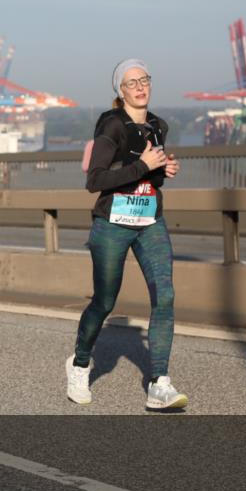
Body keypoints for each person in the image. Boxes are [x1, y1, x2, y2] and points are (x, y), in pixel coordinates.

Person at [67, 59, 187, 411]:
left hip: (150, 220)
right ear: (120, 90)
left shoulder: (157, 125)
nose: (140, 86)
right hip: (112, 224)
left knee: (164, 296)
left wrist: (163, 169)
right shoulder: (112, 125)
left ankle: (159, 383)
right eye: (131, 82)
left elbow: (149, 175)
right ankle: (79, 364)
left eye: (145, 79)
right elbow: (96, 180)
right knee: (105, 301)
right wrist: (143, 167)